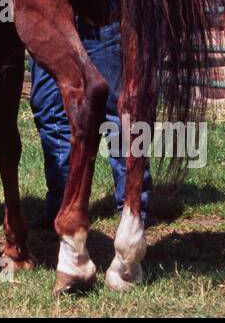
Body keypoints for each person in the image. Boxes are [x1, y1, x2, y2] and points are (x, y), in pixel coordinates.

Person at [28, 20, 151, 229]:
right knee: (47, 106)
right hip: (47, 16)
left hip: (99, 13)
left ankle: (133, 207)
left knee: (120, 107)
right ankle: (63, 202)